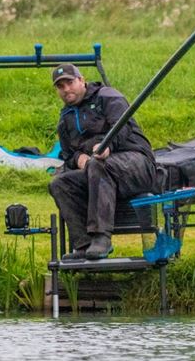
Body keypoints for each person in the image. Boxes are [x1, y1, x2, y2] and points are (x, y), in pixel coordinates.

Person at [48, 63, 158, 259]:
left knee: (98, 165)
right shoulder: (64, 121)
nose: (66, 89)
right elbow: (68, 155)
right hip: (97, 171)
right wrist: (78, 158)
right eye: (60, 86)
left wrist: (109, 146)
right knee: (60, 183)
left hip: (137, 164)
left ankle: (101, 238)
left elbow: (123, 126)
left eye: (70, 83)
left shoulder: (108, 96)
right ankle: (83, 245)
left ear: (81, 80)